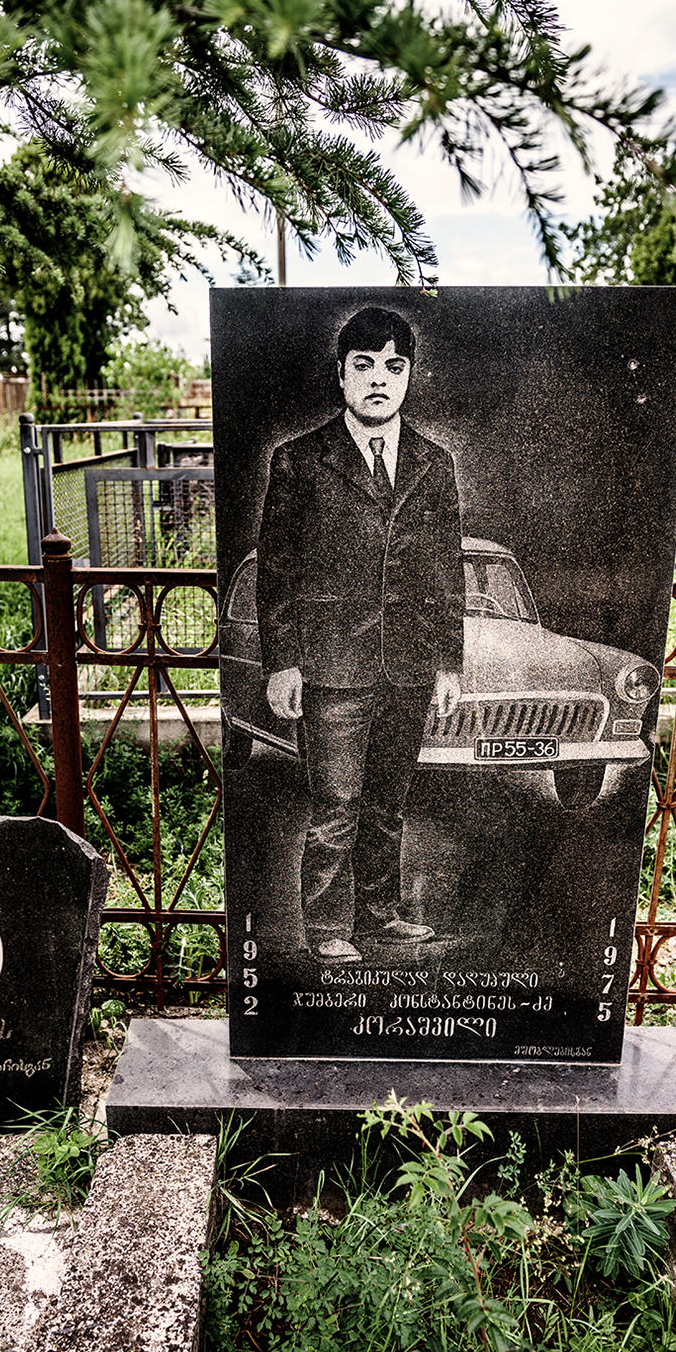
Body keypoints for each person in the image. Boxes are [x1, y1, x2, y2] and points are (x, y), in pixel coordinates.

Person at [256, 306, 464, 964]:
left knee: (387, 805)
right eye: (365, 365)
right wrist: (282, 661)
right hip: (331, 665)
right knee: (335, 806)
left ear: (408, 378)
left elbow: (444, 568)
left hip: (407, 664)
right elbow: (277, 570)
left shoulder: (434, 463)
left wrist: (448, 662)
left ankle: (378, 918)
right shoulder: (299, 460)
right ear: (341, 375)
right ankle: (327, 929)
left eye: (393, 367)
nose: (379, 379)